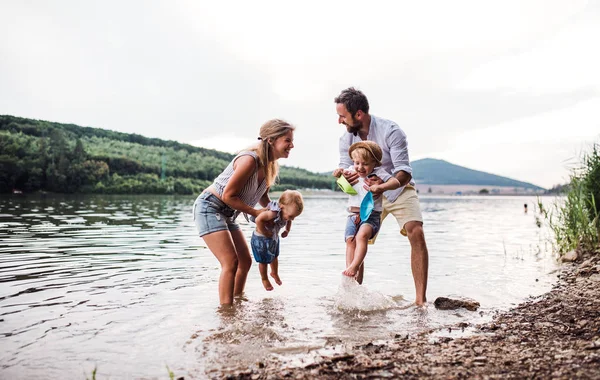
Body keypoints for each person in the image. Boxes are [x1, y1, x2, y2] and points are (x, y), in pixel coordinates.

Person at [333, 87, 429, 305]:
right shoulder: (345, 139)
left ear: (358, 114)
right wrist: (344, 180)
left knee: (416, 230)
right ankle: (352, 301)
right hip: (365, 192)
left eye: (342, 116)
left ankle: (420, 302)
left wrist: (384, 186)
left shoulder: (391, 131)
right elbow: (344, 170)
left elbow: (404, 171)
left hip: (395, 187)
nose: (339, 120)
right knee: (357, 238)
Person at [193, 119, 295, 306]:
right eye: (287, 140)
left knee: (245, 262)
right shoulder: (249, 160)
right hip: (210, 206)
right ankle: (226, 313)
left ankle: (237, 303)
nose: (292, 145)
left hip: (228, 212)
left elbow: (261, 195)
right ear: (271, 140)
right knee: (230, 262)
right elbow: (228, 195)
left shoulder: (269, 165)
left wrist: (279, 210)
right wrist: (256, 213)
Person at [335, 141, 401, 280]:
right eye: (357, 163)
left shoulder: (379, 174)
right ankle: (350, 273)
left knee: (361, 236)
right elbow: (340, 176)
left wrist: (382, 187)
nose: (360, 167)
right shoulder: (351, 171)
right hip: (353, 215)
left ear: (375, 164)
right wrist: (338, 174)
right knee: (350, 241)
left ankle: (354, 266)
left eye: (365, 164)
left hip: (371, 216)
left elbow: (396, 182)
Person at [250, 190, 304, 291]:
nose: (292, 219)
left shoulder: (287, 213)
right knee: (263, 261)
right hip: (261, 239)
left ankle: (274, 272)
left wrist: (287, 230)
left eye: (294, 217)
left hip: (273, 238)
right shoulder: (273, 213)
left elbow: (288, 220)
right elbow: (258, 220)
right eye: (291, 216)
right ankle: (264, 278)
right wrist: (265, 233)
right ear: (282, 207)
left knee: (275, 256)